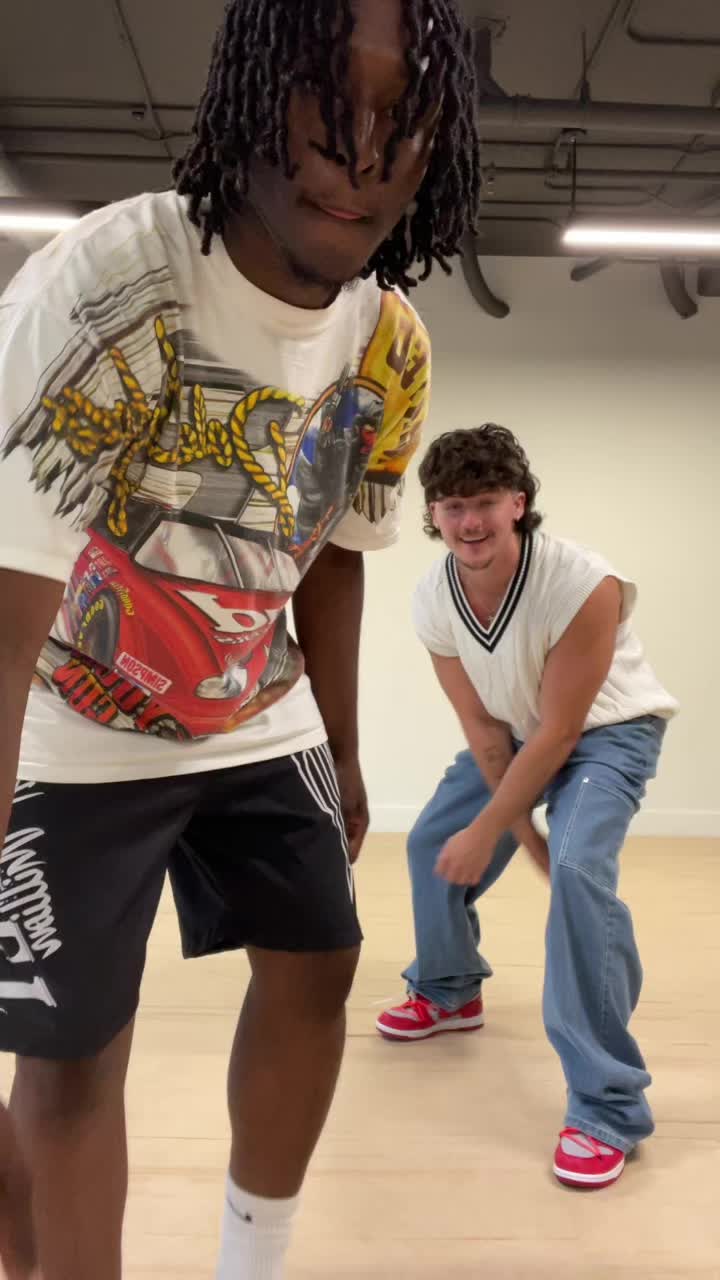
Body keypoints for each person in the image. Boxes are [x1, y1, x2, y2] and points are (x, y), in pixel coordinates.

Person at [0, 2, 481, 1277]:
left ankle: (250, 1260)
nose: (360, 154)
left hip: (254, 703)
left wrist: (345, 744)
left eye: (403, 120)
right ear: (251, 95)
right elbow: (4, 626)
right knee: (67, 1045)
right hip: (72, 719)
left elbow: (335, 552)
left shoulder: (389, 344)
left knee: (321, 960)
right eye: (328, 97)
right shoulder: (112, 286)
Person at [377, 425, 678, 1190]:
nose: (469, 521)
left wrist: (517, 838)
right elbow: (486, 731)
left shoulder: (583, 584)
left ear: (518, 503)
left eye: (484, 502)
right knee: (431, 844)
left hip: (609, 734)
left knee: (577, 872)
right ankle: (449, 990)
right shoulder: (432, 597)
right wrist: (508, 830)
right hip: (516, 733)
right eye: (451, 505)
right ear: (432, 514)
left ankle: (607, 1107)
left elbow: (564, 732)